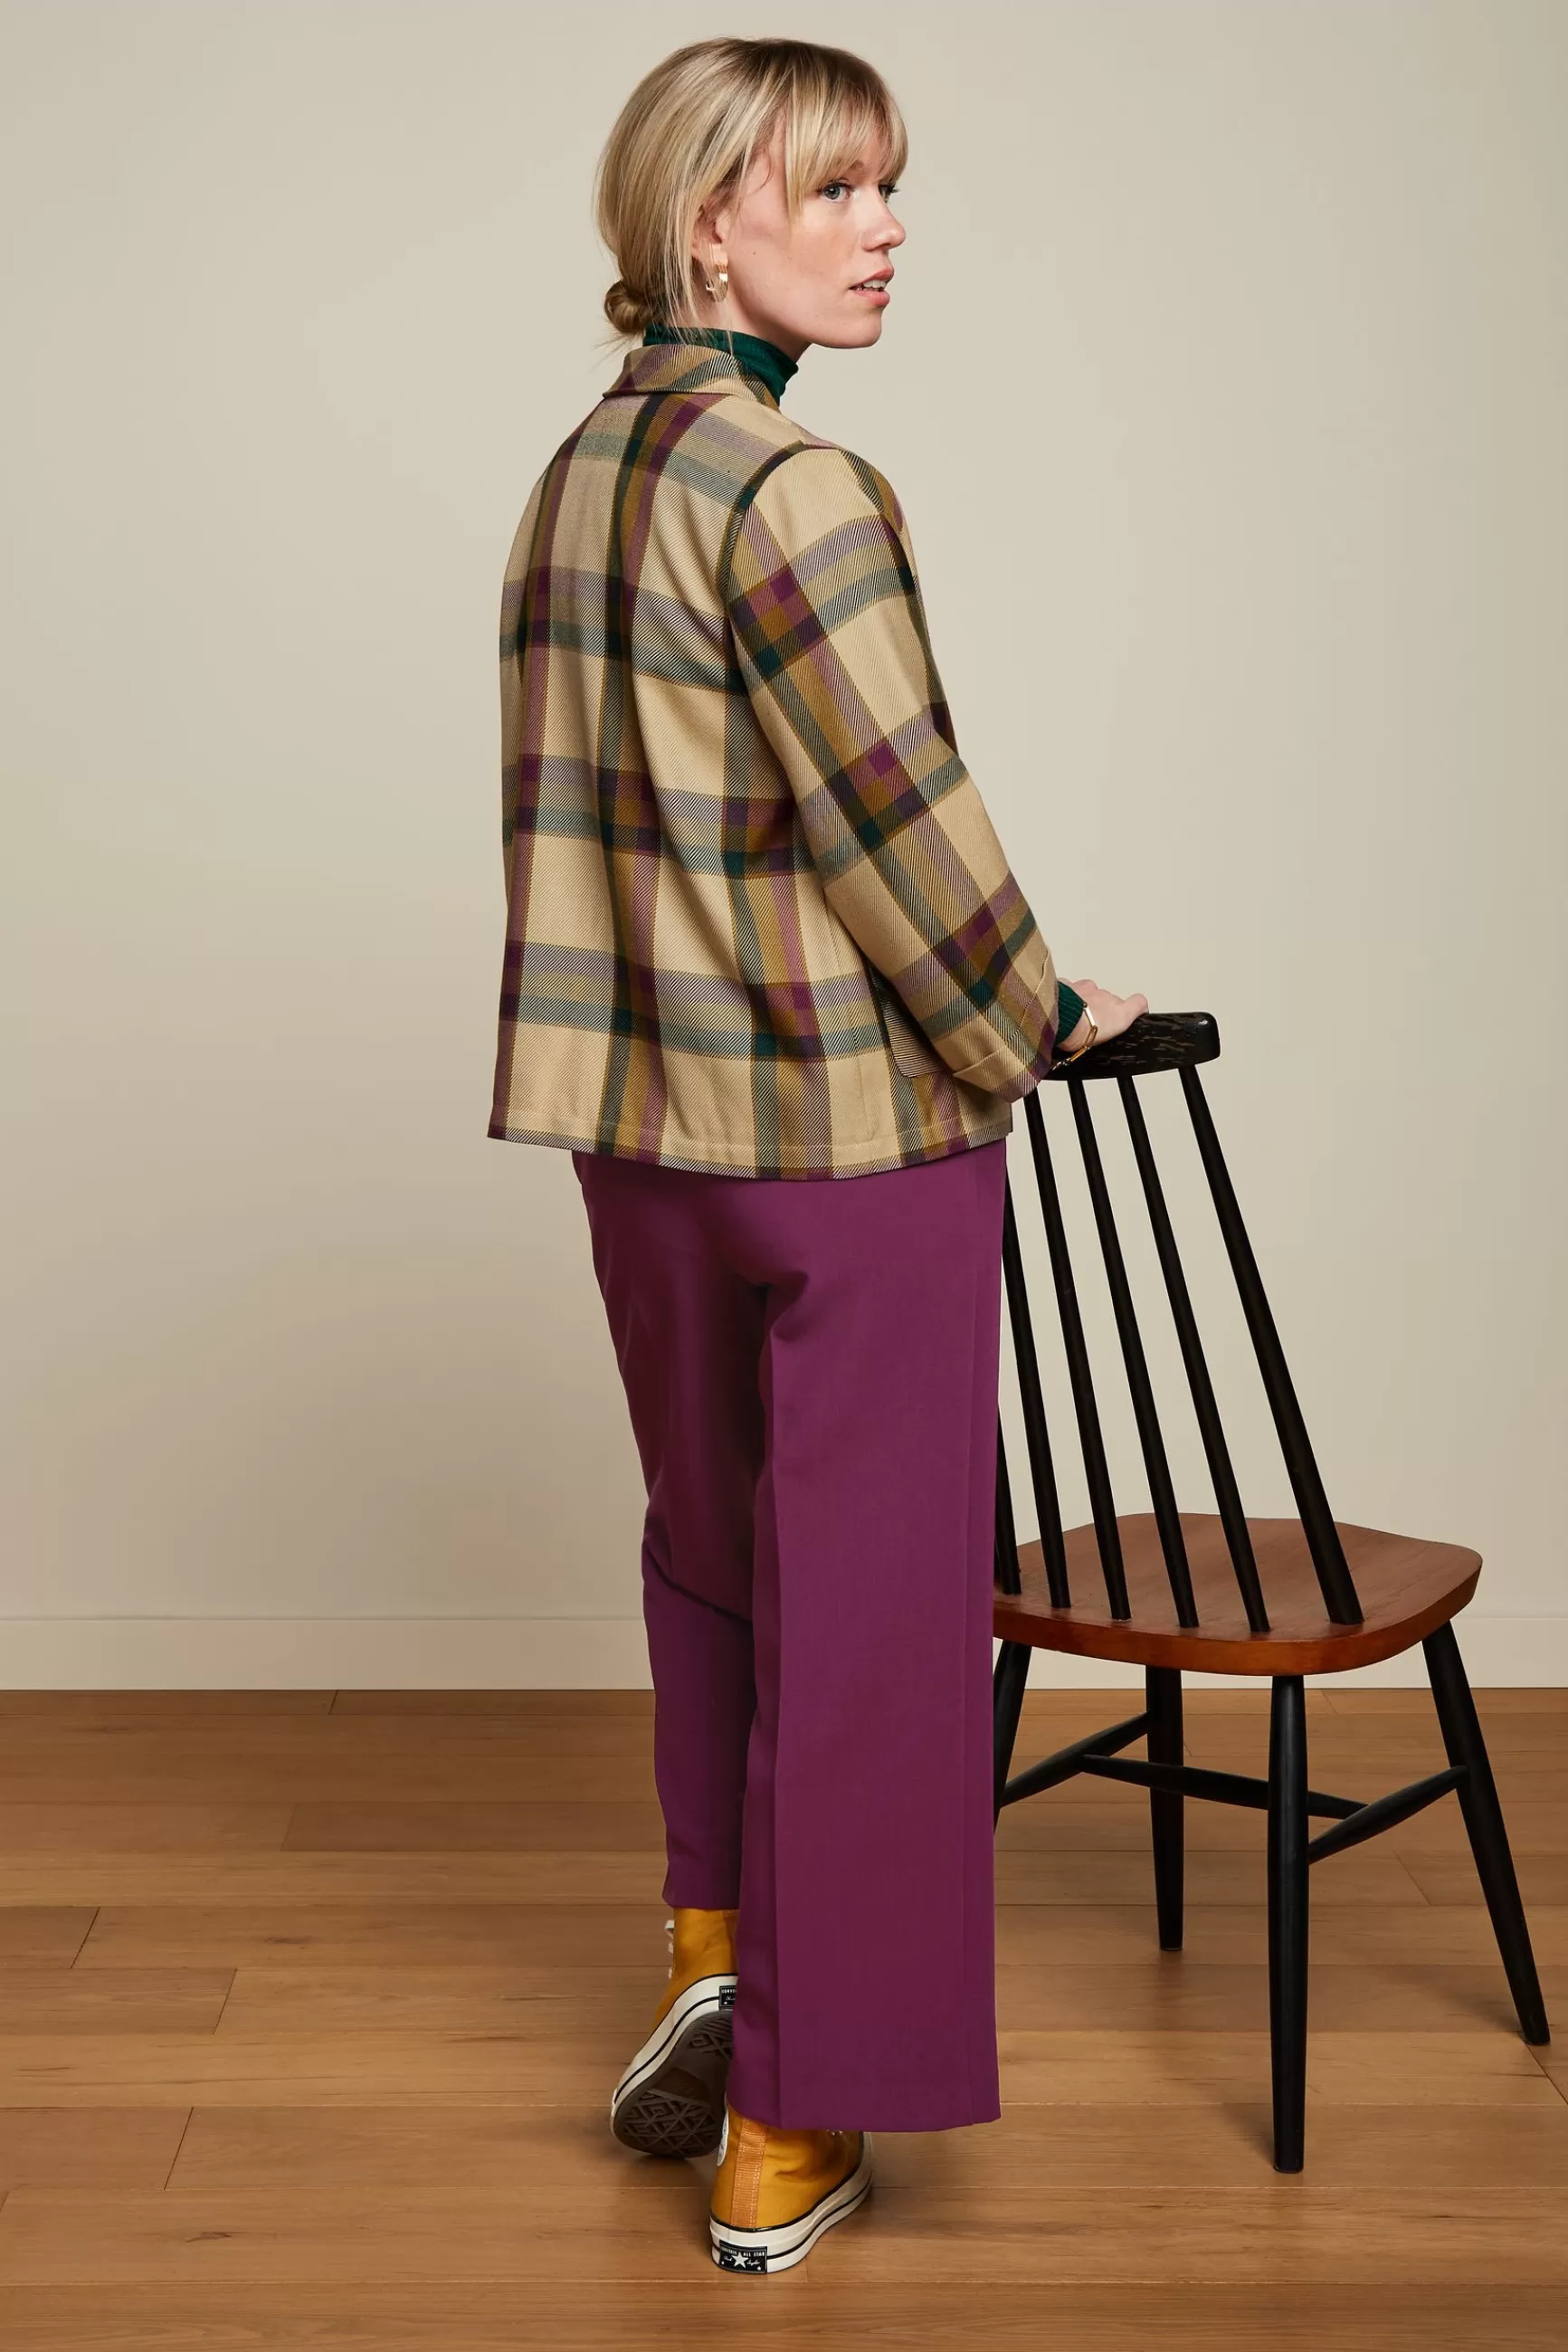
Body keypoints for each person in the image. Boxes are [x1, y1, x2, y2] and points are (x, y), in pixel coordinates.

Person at [489, 35, 1147, 2275]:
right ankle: (790, 2123)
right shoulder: (794, 488)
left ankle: (709, 1951)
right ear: (708, 223)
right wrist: (1033, 1011)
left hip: (632, 1131)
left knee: (709, 1552)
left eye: (887, 187)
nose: (883, 228)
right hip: (843, 1141)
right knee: (868, 1617)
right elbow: (897, 822)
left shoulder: (574, 481)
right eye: (835, 188)